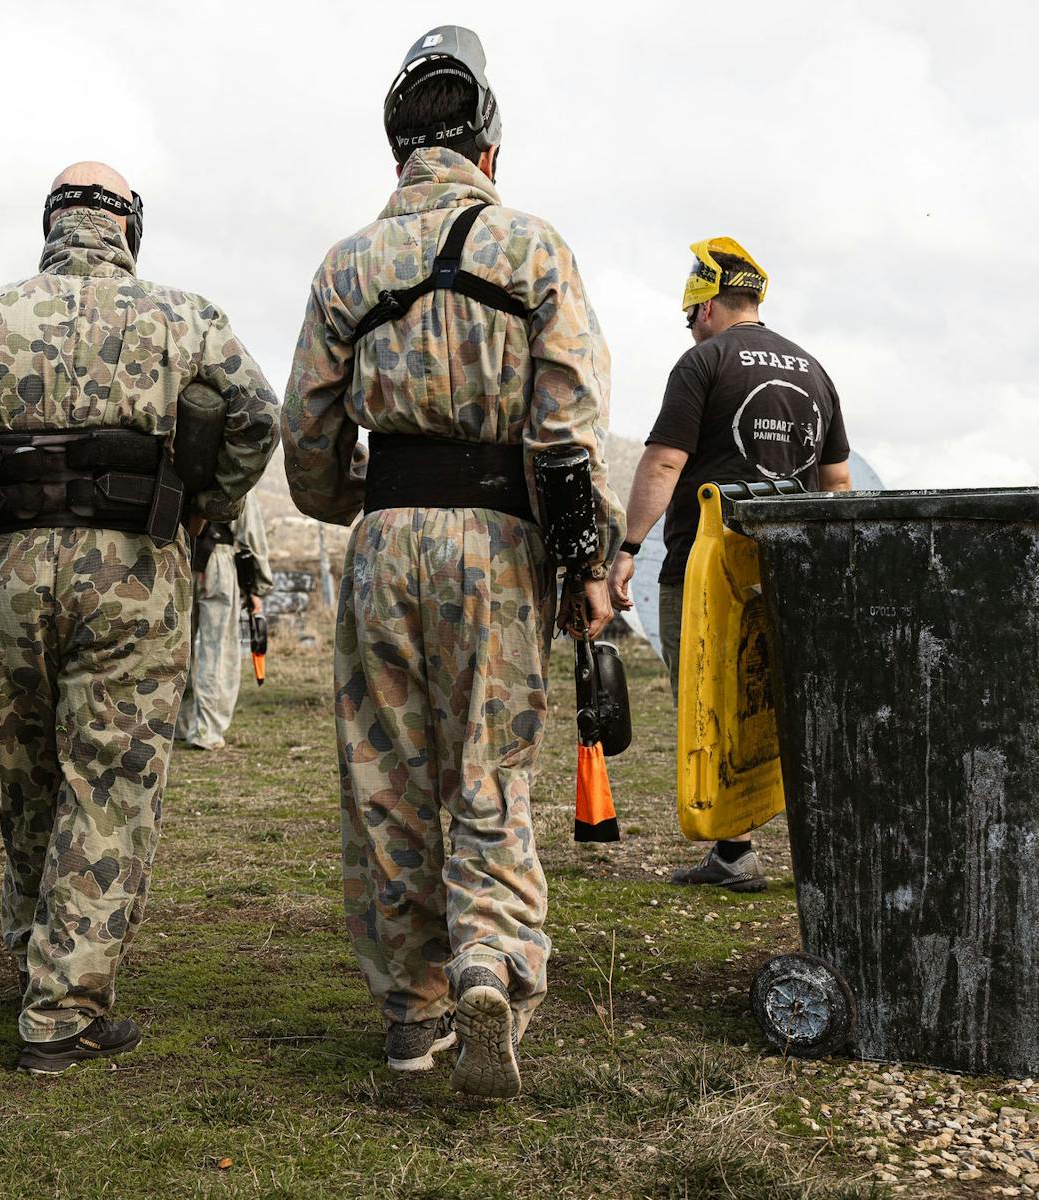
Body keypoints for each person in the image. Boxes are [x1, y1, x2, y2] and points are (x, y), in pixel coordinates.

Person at [283, 27, 623, 1098]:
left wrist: (369, 505)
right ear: (488, 144)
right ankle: (490, 959)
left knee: (388, 781)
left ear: (395, 148)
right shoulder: (530, 249)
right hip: (500, 539)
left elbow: (309, 447)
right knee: (489, 764)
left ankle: (413, 1021)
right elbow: (566, 429)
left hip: (386, 541)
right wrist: (582, 568)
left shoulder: (346, 265)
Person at [0, 161, 279, 1075]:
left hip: (10, 571)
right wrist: (205, 511)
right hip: (134, 570)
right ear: (127, 227)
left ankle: (34, 955)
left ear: (52, 224)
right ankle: (62, 1006)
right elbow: (258, 418)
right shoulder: (185, 315)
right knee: (110, 776)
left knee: (29, 768)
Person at [607, 238, 850, 893]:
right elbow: (838, 481)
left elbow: (663, 462)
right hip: (789, 567)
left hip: (710, 569)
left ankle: (734, 851)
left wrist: (628, 547)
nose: (690, 328)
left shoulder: (704, 363)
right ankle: (780, 849)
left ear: (708, 305)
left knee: (713, 703)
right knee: (779, 704)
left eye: (690, 317)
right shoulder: (813, 371)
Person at [176, 496, 273, 751]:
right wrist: (256, 587)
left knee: (178, 643)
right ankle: (206, 731)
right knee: (217, 648)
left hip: (178, 558)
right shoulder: (232, 471)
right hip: (218, 560)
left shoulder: (180, 466)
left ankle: (179, 724)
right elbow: (250, 534)